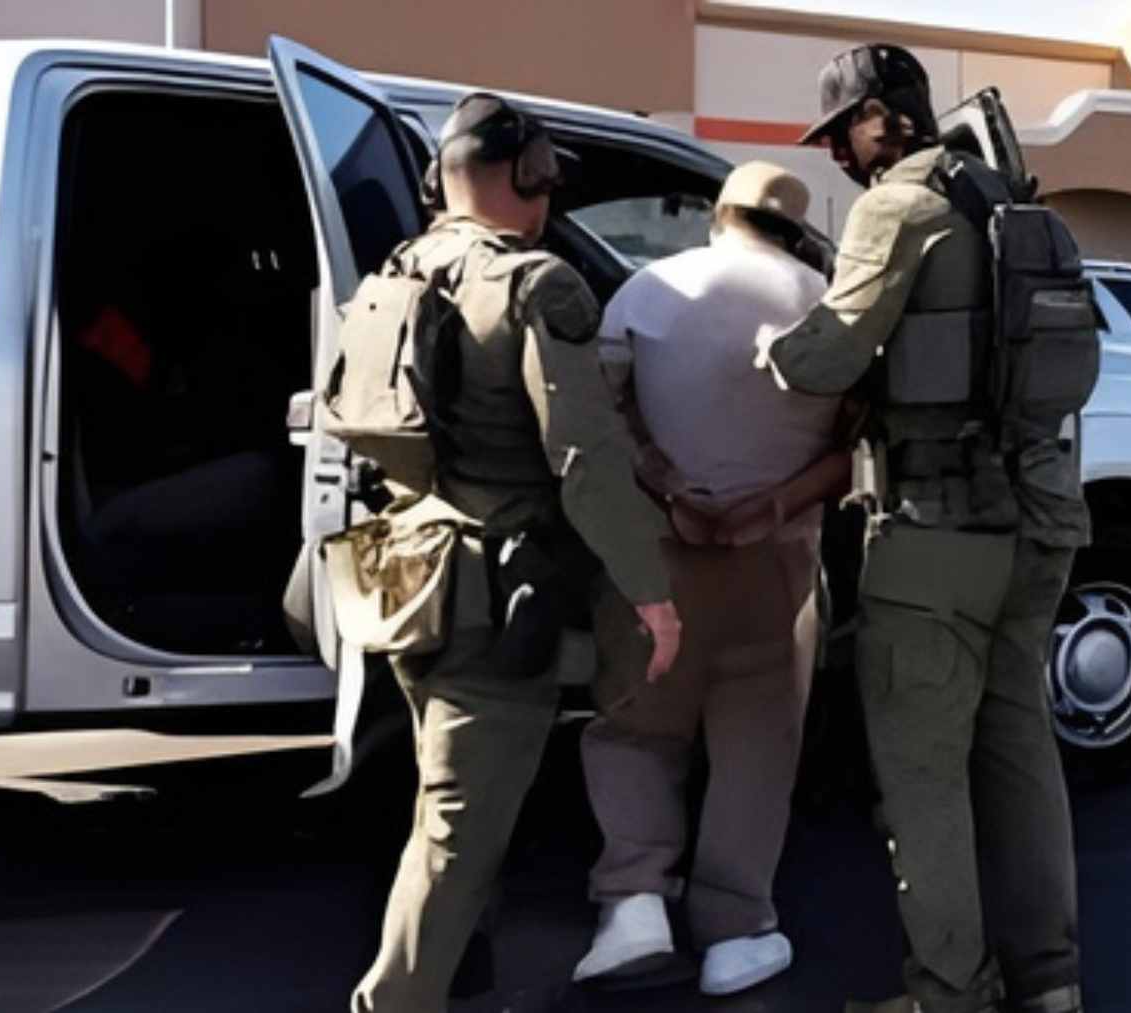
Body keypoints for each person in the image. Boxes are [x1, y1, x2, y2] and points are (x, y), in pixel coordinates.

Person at [760, 45, 1093, 1013]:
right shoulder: (1015, 203)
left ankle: (950, 994)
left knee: (924, 779)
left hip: (937, 535)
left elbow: (824, 356)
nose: (836, 158)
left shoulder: (896, 206)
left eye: (840, 134)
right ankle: (1051, 983)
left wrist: (767, 350)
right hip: (1039, 524)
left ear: (882, 119)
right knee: (1023, 756)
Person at [351, 92, 682, 1013]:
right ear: (527, 178)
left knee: (447, 808)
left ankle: (459, 979)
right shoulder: (539, 284)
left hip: (409, 571)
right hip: (498, 591)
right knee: (459, 835)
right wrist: (650, 593)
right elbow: (586, 458)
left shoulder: (404, 267)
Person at [573, 161, 848, 996]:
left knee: (635, 725)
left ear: (718, 214)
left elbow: (599, 419)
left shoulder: (648, 290)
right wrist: (765, 509)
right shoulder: (828, 306)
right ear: (795, 227)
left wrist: (675, 492)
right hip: (778, 562)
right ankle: (737, 927)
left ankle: (633, 904)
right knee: (758, 744)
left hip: (662, 549)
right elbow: (855, 447)